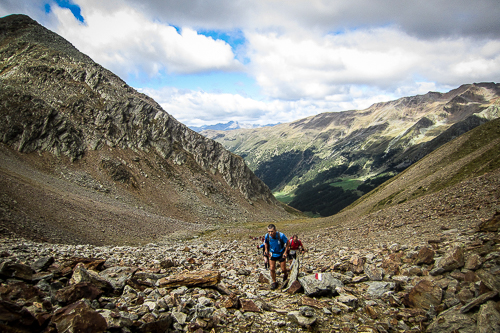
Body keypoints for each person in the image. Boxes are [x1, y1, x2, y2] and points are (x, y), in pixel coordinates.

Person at [264, 224, 289, 290]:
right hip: (272, 253)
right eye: (269, 231)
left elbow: (287, 242)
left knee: (283, 269)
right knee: (272, 268)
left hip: (281, 253)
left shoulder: (281, 235)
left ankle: (286, 275)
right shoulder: (267, 236)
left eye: (272, 231)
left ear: (275, 230)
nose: (270, 233)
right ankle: (274, 282)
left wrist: (285, 252)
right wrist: (266, 249)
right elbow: (266, 242)